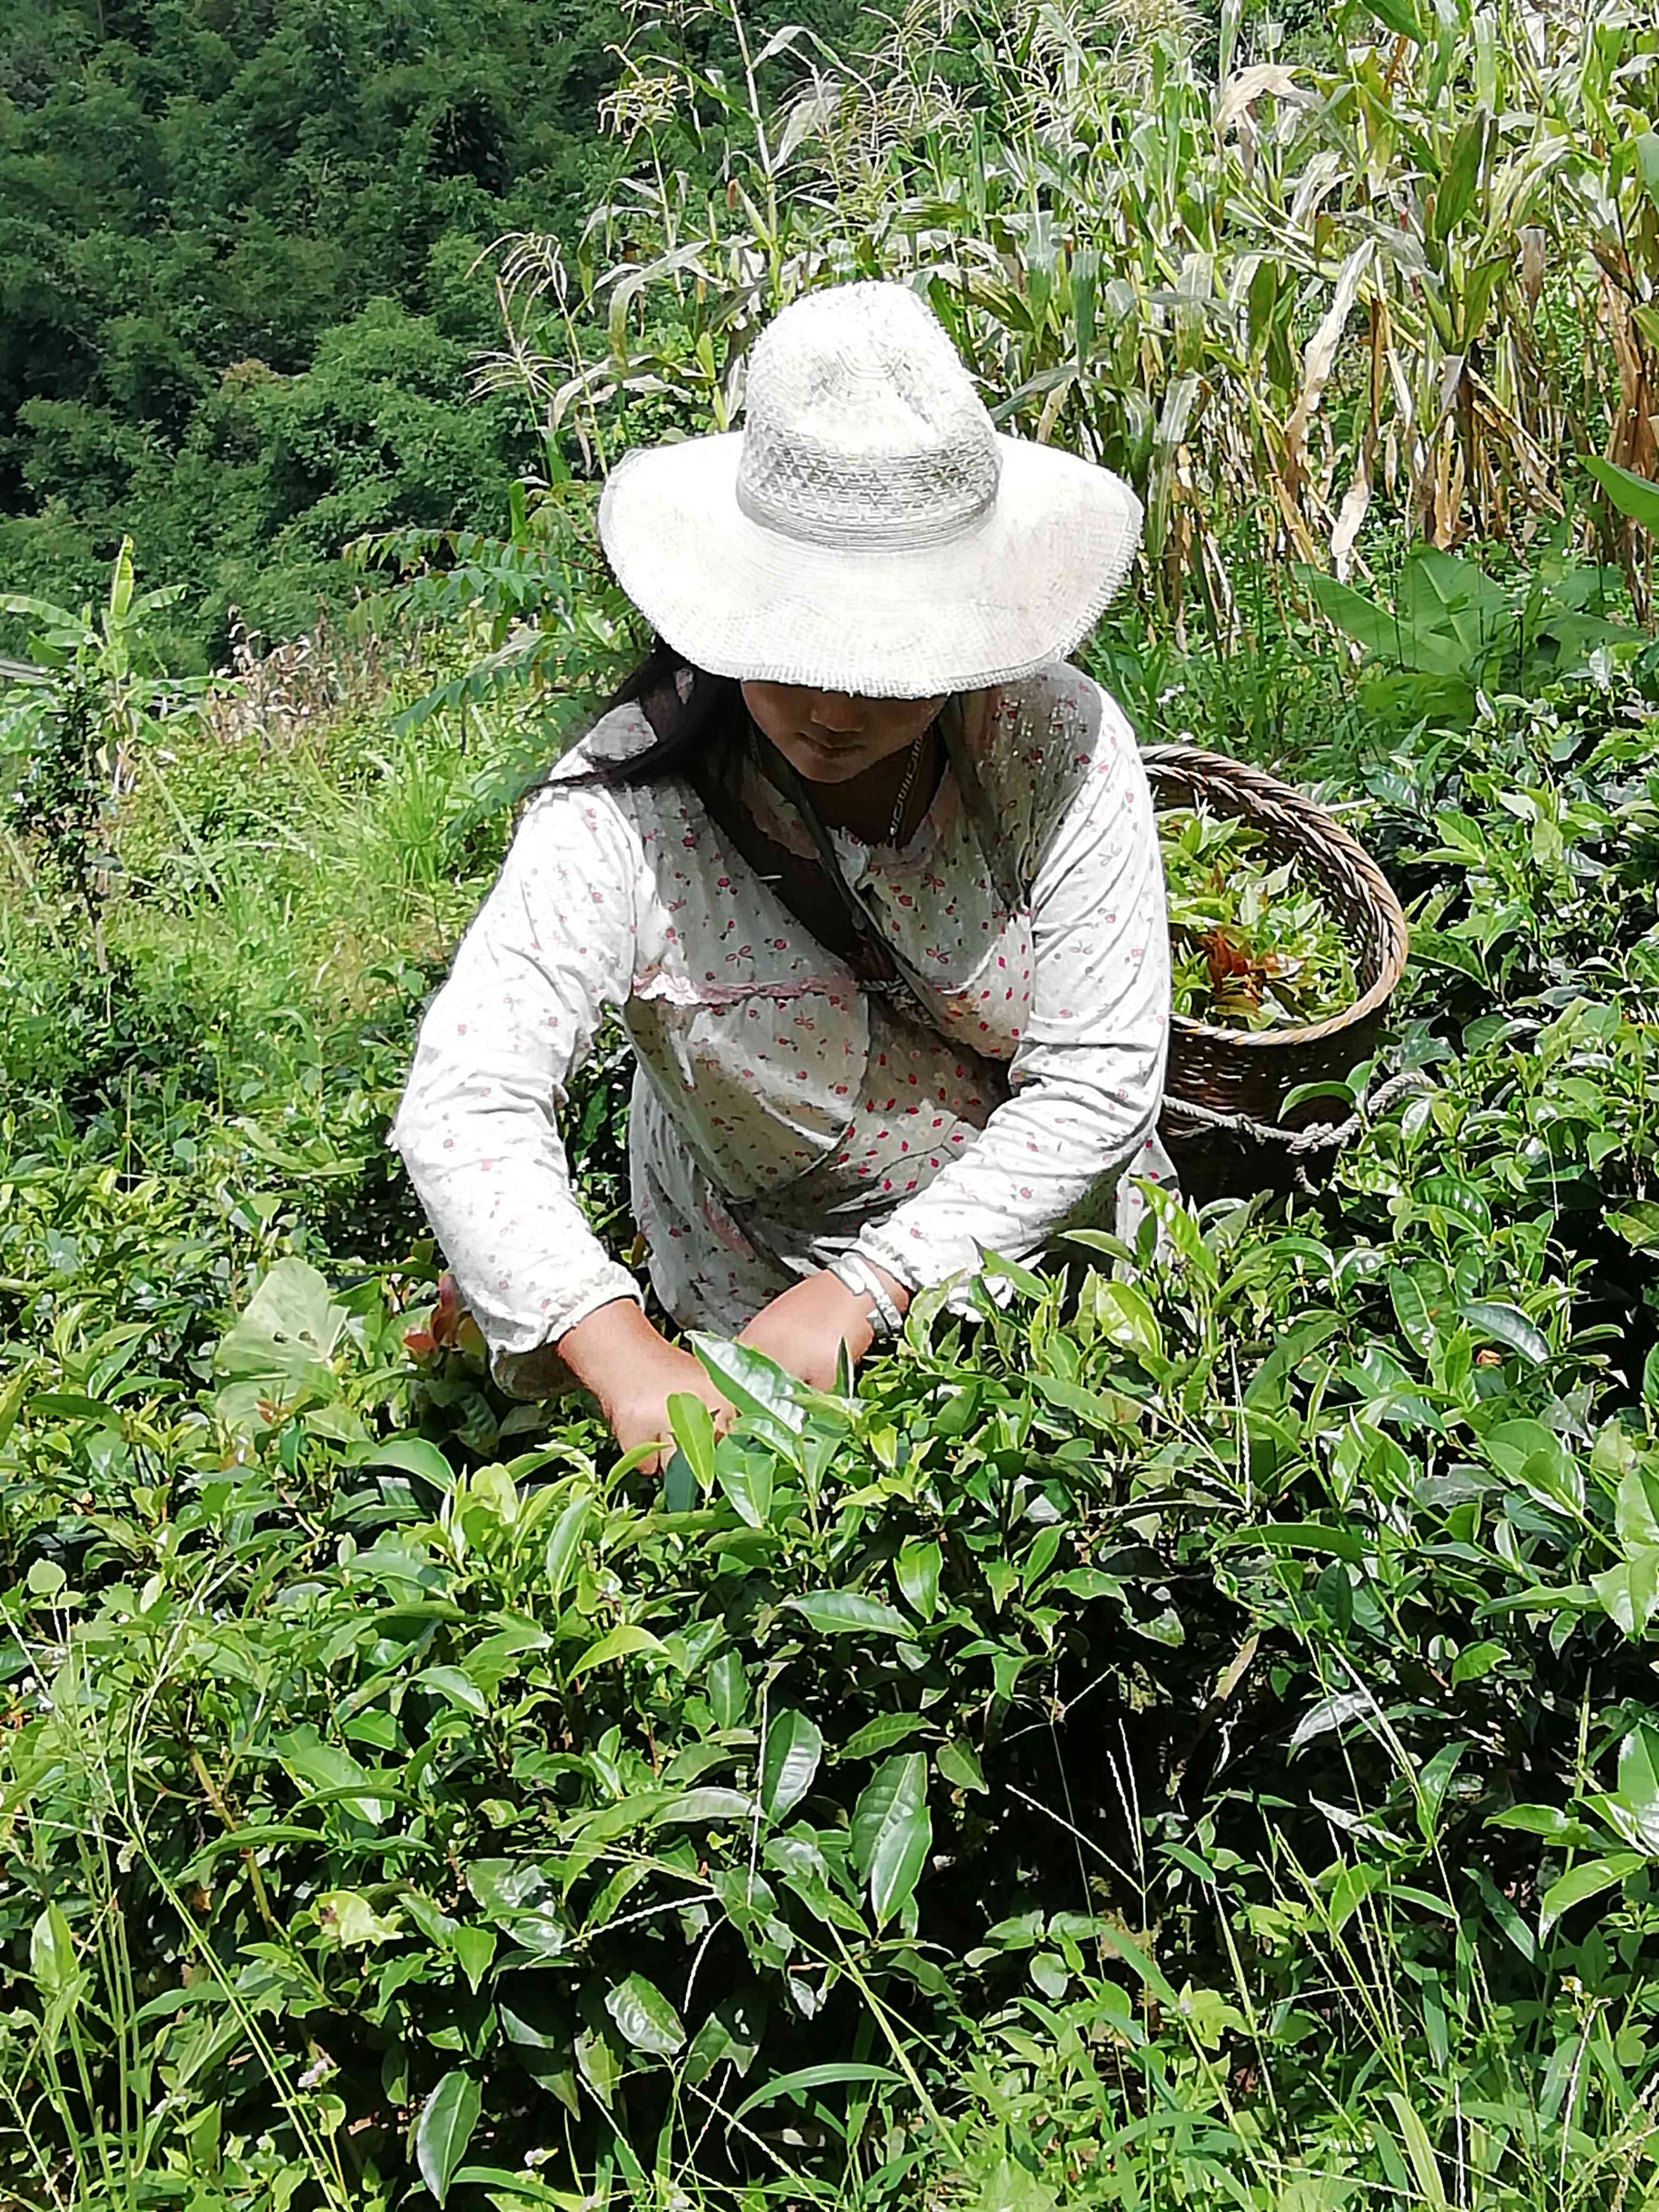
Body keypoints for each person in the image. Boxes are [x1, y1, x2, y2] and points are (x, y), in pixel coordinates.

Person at [391, 281, 1173, 1462]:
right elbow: (467, 1098)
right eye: (797, 644)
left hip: (1052, 1265)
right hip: (756, 1313)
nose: (831, 706)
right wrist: (617, 1347)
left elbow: (1101, 1079)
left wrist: (880, 1283)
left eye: (887, 659)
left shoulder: (1047, 743)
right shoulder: (629, 807)